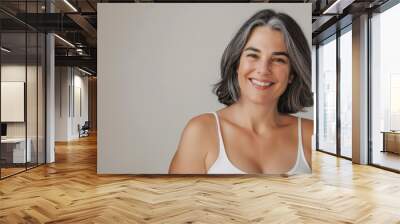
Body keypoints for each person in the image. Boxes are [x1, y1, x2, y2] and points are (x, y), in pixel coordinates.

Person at [169, 9, 313, 175]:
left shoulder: (310, 135)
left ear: (292, 74)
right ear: (237, 64)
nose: (263, 69)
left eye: (278, 60)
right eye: (253, 55)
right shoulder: (201, 132)